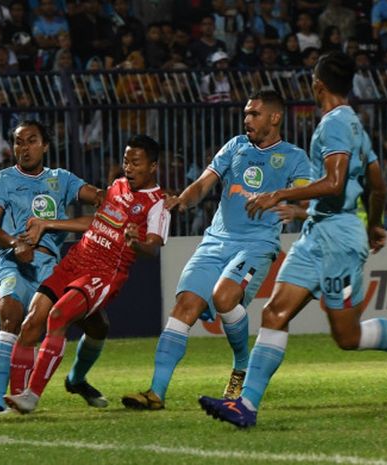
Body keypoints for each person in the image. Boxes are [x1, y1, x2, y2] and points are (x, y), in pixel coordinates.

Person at [199, 51, 387, 428]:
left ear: (317, 83)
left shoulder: (335, 125)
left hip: (337, 239)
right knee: (275, 313)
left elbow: (336, 183)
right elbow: (378, 183)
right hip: (318, 233)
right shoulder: (354, 123)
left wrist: (279, 194)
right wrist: (373, 224)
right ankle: (246, 406)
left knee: (347, 336)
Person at [120, 90, 311, 411]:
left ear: (275, 118)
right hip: (215, 241)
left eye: (254, 114)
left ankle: (241, 365)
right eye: (246, 113)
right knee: (185, 306)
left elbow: (308, 203)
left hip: (257, 244)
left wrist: (283, 200)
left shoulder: (294, 157)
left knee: (224, 298)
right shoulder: (235, 146)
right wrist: (183, 198)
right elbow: (204, 184)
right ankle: (155, 393)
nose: (247, 119)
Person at [3, 134, 171, 414]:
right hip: (76, 260)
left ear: (153, 166)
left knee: (58, 316)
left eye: (136, 163)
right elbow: (96, 222)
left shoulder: (158, 204)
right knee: (32, 321)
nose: (128, 168)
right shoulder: (117, 186)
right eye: (126, 161)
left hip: (104, 273)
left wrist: (136, 242)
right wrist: (47, 224)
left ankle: (32, 396)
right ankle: (16, 398)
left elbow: (153, 248)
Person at [0, 120, 102, 414]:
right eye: (19, 142)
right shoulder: (3, 180)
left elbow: (99, 198)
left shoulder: (61, 179)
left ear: (45, 145)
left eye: (32, 140)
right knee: (11, 316)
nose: (24, 148)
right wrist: (15, 244)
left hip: (52, 266)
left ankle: (76, 379)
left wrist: (121, 195)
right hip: (14, 262)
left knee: (98, 324)